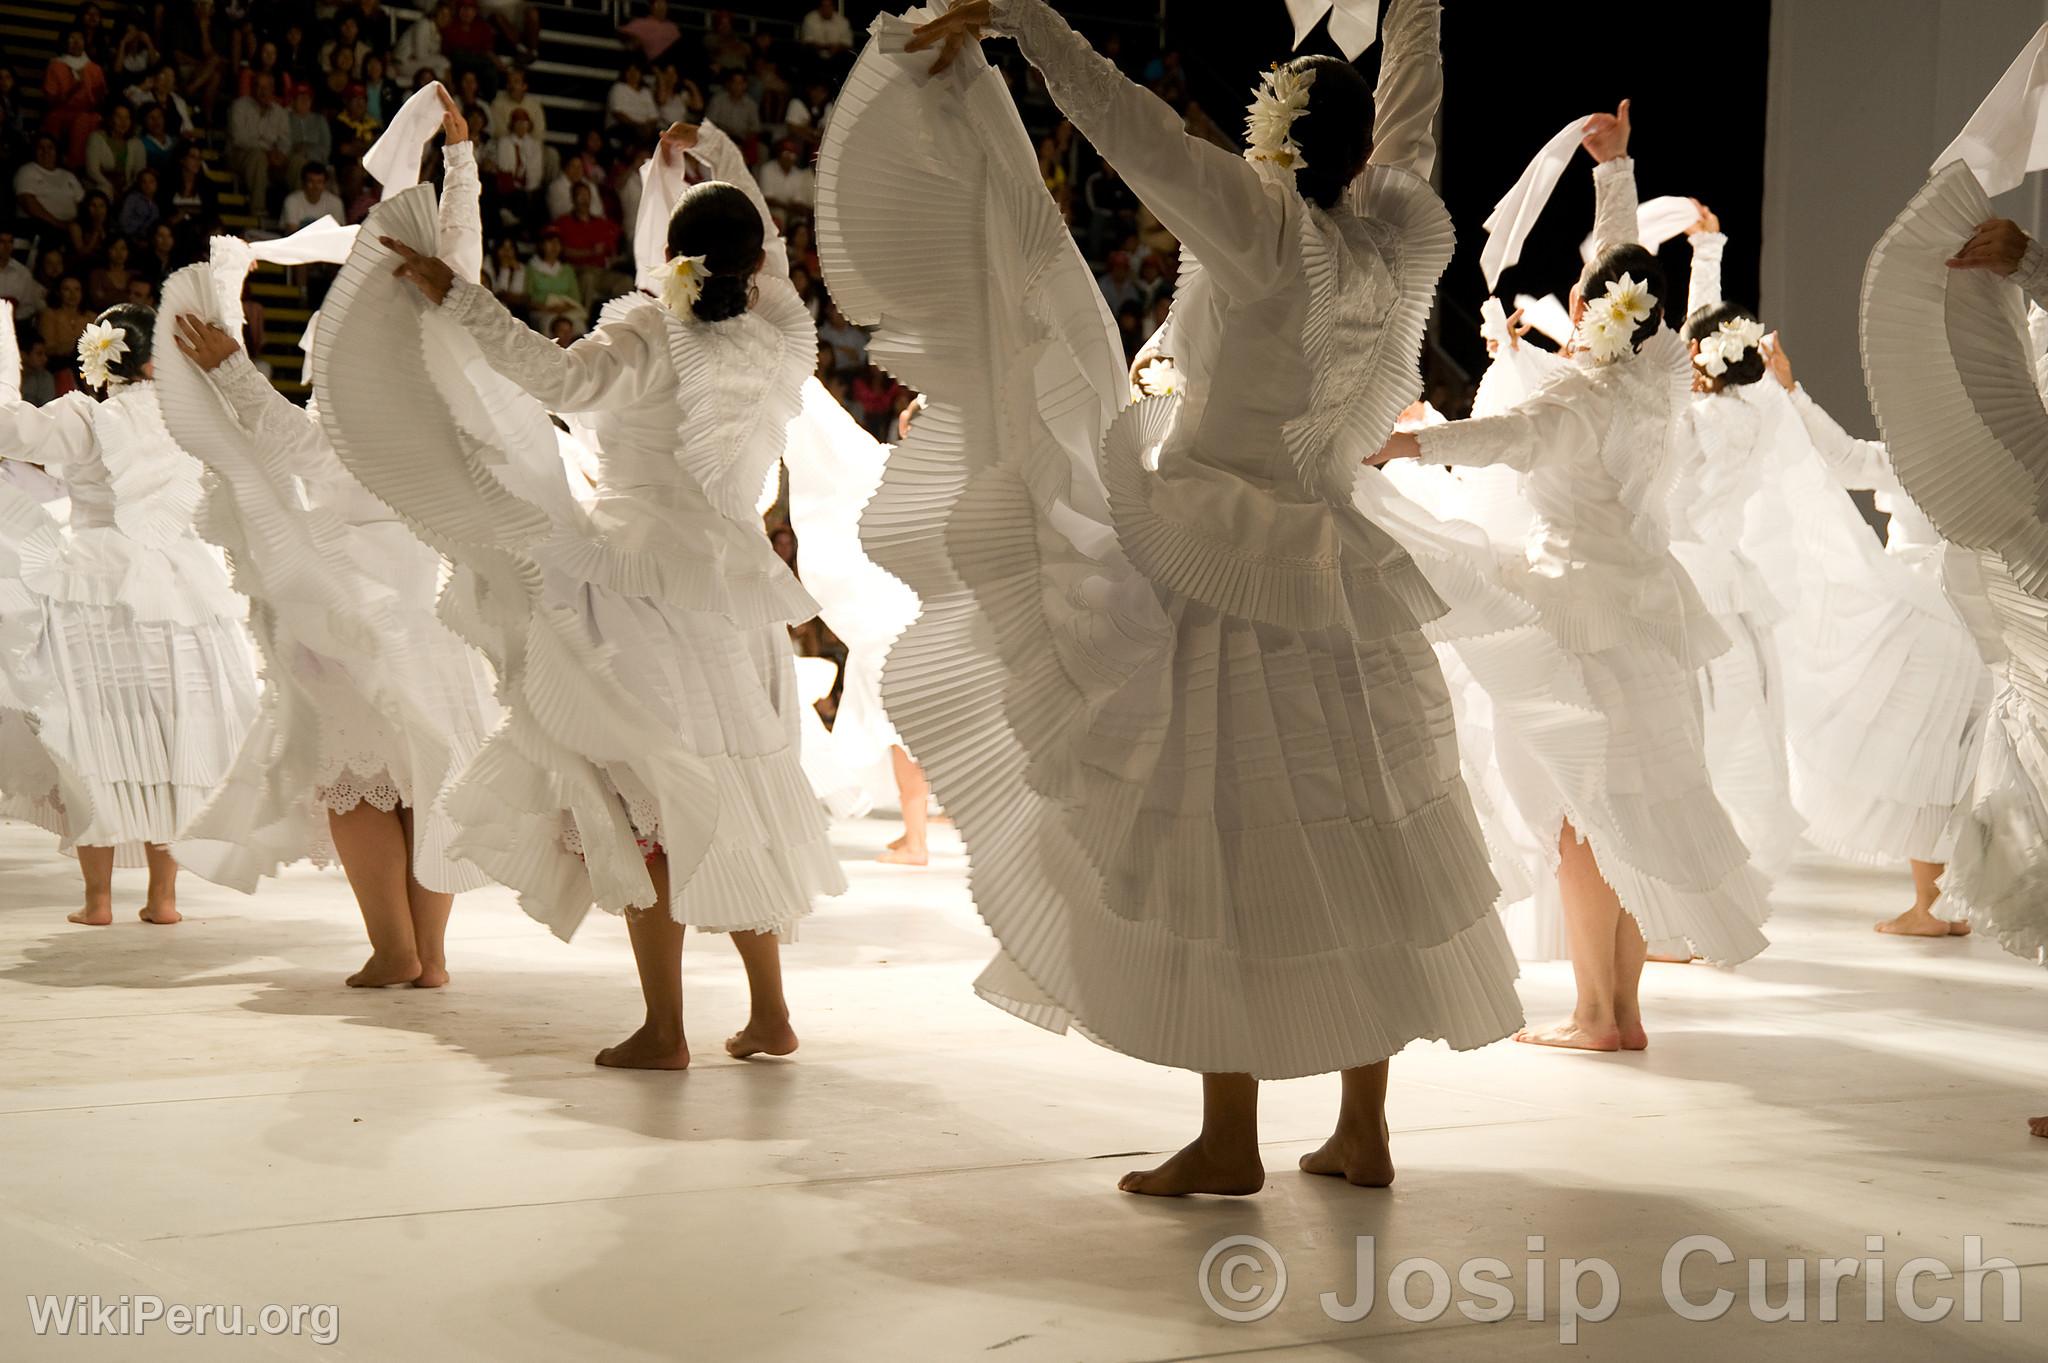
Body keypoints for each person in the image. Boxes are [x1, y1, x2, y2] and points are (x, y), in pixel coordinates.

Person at [860, 0, 1521, 1195]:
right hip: (1340, 564)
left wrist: (1029, 23)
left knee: (1232, 841)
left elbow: (1135, 129)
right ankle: (1360, 1127)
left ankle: (1231, 1139)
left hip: (1228, 568)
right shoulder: (1397, 228)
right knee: (1362, 832)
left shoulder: (1265, 230)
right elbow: (1415, 106)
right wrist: (1415, 9)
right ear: (1357, 149)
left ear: (1273, 148)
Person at [341, 118, 846, 1068]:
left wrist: (461, 297)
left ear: (670, 255)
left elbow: (554, 378)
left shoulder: (654, 328)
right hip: (726, 595)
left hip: (635, 585)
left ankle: (665, 1026)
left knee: (640, 794)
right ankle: (769, 1012)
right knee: (724, 789)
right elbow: (769, 249)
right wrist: (725, 157)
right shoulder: (781, 331)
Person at [1378, 104, 1769, 1050]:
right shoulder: (1659, 377)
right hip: (1650, 611)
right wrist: (1615, 172)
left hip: (1580, 610)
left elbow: (1503, 436)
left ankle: (1599, 1012)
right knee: (1624, 809)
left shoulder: (1584, 395)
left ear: (1593, 313)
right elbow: (1626, 264)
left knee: (1586, 818)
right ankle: (1619, 1010)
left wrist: (1400, 442)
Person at [160, 96, 502, 989]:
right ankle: (428, 957)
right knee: (430, 766)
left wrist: (229, 368)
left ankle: (394, 947)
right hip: (437, 586)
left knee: (356, 771)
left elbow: (298, 442)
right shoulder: (446, 370)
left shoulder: (361, 390)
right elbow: (459, 263)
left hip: (355, 586)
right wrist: (460, 164)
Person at [0, 301, 259, 924]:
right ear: (153, 359)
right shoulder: (187, 416)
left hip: (97, 586)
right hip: (180, 592)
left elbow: (12, 432)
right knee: (173, 732)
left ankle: (97, 900)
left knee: (95, 730)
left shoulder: (88, 417)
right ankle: (163, 898)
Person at [228, 71, 292, 215]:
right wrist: (266, 150)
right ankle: (257, 208)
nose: (262, 91)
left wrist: (280, 154)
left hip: (271, 156)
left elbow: (285, 141)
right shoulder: (239, 106)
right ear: (252, 88)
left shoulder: (280, 112)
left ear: (272, 89)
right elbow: (239, 138)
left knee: (297, 161)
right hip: (241, 155)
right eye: (258, 86)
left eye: (266, 87)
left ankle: (298, 211)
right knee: (258, 157)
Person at [42, 28, 108, 167]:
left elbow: (100, 100)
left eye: (80, 38)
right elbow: (50, 101)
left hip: (86, 113)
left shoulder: (94, 68)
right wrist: (72, 90)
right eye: (72, 38)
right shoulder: (55, 65)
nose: (76, 42)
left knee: (89, 120)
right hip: (62, 111)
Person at [14, 134, 87, 229]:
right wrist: (58, 224)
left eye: (50, 147)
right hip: (41, 226)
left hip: (72, 228)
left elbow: (82, 203)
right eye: (41, 148)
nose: (46, 151)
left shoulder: (68, 175)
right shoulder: (27, 170)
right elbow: (28, 203)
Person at [83, 102, 145, 198]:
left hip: (127, 188)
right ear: (110, 118)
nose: (123, 122)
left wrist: (127, 189)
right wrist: (109, 186)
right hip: (102, 186)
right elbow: (92, 170)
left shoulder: (136, 143)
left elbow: (140, 172)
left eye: (127, 118)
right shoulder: (96, 138)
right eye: (119, 117)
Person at [755, 140, 814, 221]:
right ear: (779, 153)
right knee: (779, 214)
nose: (788, 157)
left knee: (801, 219)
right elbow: (768, 199)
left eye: (792, 154)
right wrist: (788, 207)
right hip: (771, 210)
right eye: (786, 153)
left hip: (791, 211)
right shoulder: (767, 169)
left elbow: (798, 201)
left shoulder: (798, 174)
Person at [279, 162, 346, 231]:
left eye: (319, 182)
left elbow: (338, 232)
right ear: (303, 183)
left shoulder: (335, 202)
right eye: (311, 181)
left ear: (325, 184)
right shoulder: (292, 201)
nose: (315, 186)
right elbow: (292, 231)